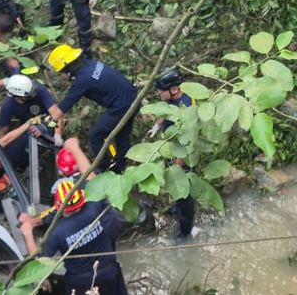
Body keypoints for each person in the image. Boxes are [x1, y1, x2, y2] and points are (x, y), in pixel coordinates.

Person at [20, 180, 129, 295]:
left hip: (81, 283)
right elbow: (93, 181)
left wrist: (28, 233)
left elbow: (39, 262)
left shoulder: (58, 232)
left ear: (58, 206)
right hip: (110, 272)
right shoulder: (94, 207)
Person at [46, 45, 138, 174]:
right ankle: (119, 168)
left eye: (61, 72)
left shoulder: (83, 80)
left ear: (68, 69)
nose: (61, 76)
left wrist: (48, 123)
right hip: (133, 98)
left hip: (122, 107)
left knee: (95, 135)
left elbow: (66, 104)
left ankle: (104, 166)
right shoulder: (90, 64)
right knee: (122, 137)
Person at [146, 67, 196, 242]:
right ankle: (178, 209)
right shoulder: (173, 99)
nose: (158, 93)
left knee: (184, 195)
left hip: (183, 156)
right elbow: (167, 110)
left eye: (160, 91)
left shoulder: (187, 107)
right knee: (178, 193)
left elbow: (187, 143)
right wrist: (157, 126)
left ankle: (186, 231)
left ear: (174, 90)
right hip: (173, 150)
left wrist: (177, 166)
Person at [0, 74, 65, 168]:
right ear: (18, 97)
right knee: (12, 155)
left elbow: (56, 114)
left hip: (47, 123)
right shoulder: (8, 106)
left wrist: (58, 135)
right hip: (26, 126)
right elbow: (3, 131)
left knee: (38, 136)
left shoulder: (39, 90)